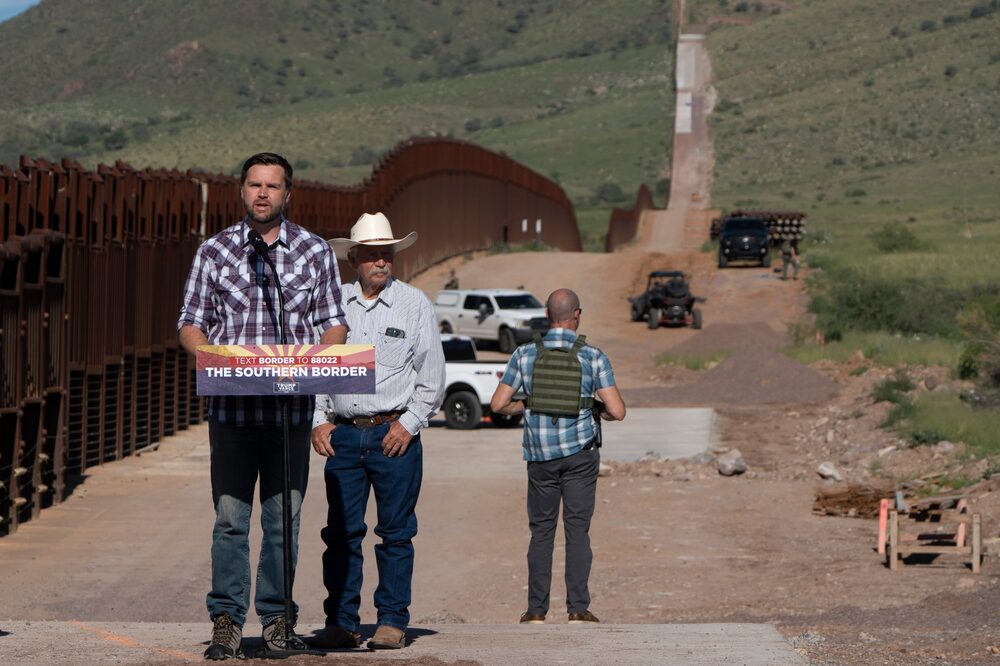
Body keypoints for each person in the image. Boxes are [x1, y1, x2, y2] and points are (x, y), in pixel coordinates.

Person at [178, 152, 348, 660]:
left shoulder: (314, 252)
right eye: (254, 184)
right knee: (230, 521)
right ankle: (227, 620)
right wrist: (208, 354)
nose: (262, 194)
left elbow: (333, 322)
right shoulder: (215, 251)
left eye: (272, 186)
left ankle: (277, 619)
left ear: (287, 194)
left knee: (283, 523)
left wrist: (320, 356)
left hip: (289, 414)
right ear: (242, 190)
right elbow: (190, 321)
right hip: (231, 415)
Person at [308, 212, 445, 651]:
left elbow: (432, 375)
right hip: (344, 437)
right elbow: (316, 367)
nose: (381, 263)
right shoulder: (332, 308)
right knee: (342, 533)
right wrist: (319, 420)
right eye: (371, 256)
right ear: (354, 260)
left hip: (393, 434)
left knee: (396, 532)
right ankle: (342, 621)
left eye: (386, 254)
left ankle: (390, 621)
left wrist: (409, 423)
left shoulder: (414, 304)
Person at [489, 288, 626, 626]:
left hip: (540, 459)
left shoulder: (524, 354)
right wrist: (596, 412)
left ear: (547, 315)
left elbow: (497, 405)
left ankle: (536, 611)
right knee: (577, 531)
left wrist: (527, 402)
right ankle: (577, 609)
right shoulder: (592, 356)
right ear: (576, 314)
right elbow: (618, 411)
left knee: (542, 532)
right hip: (580, 456)